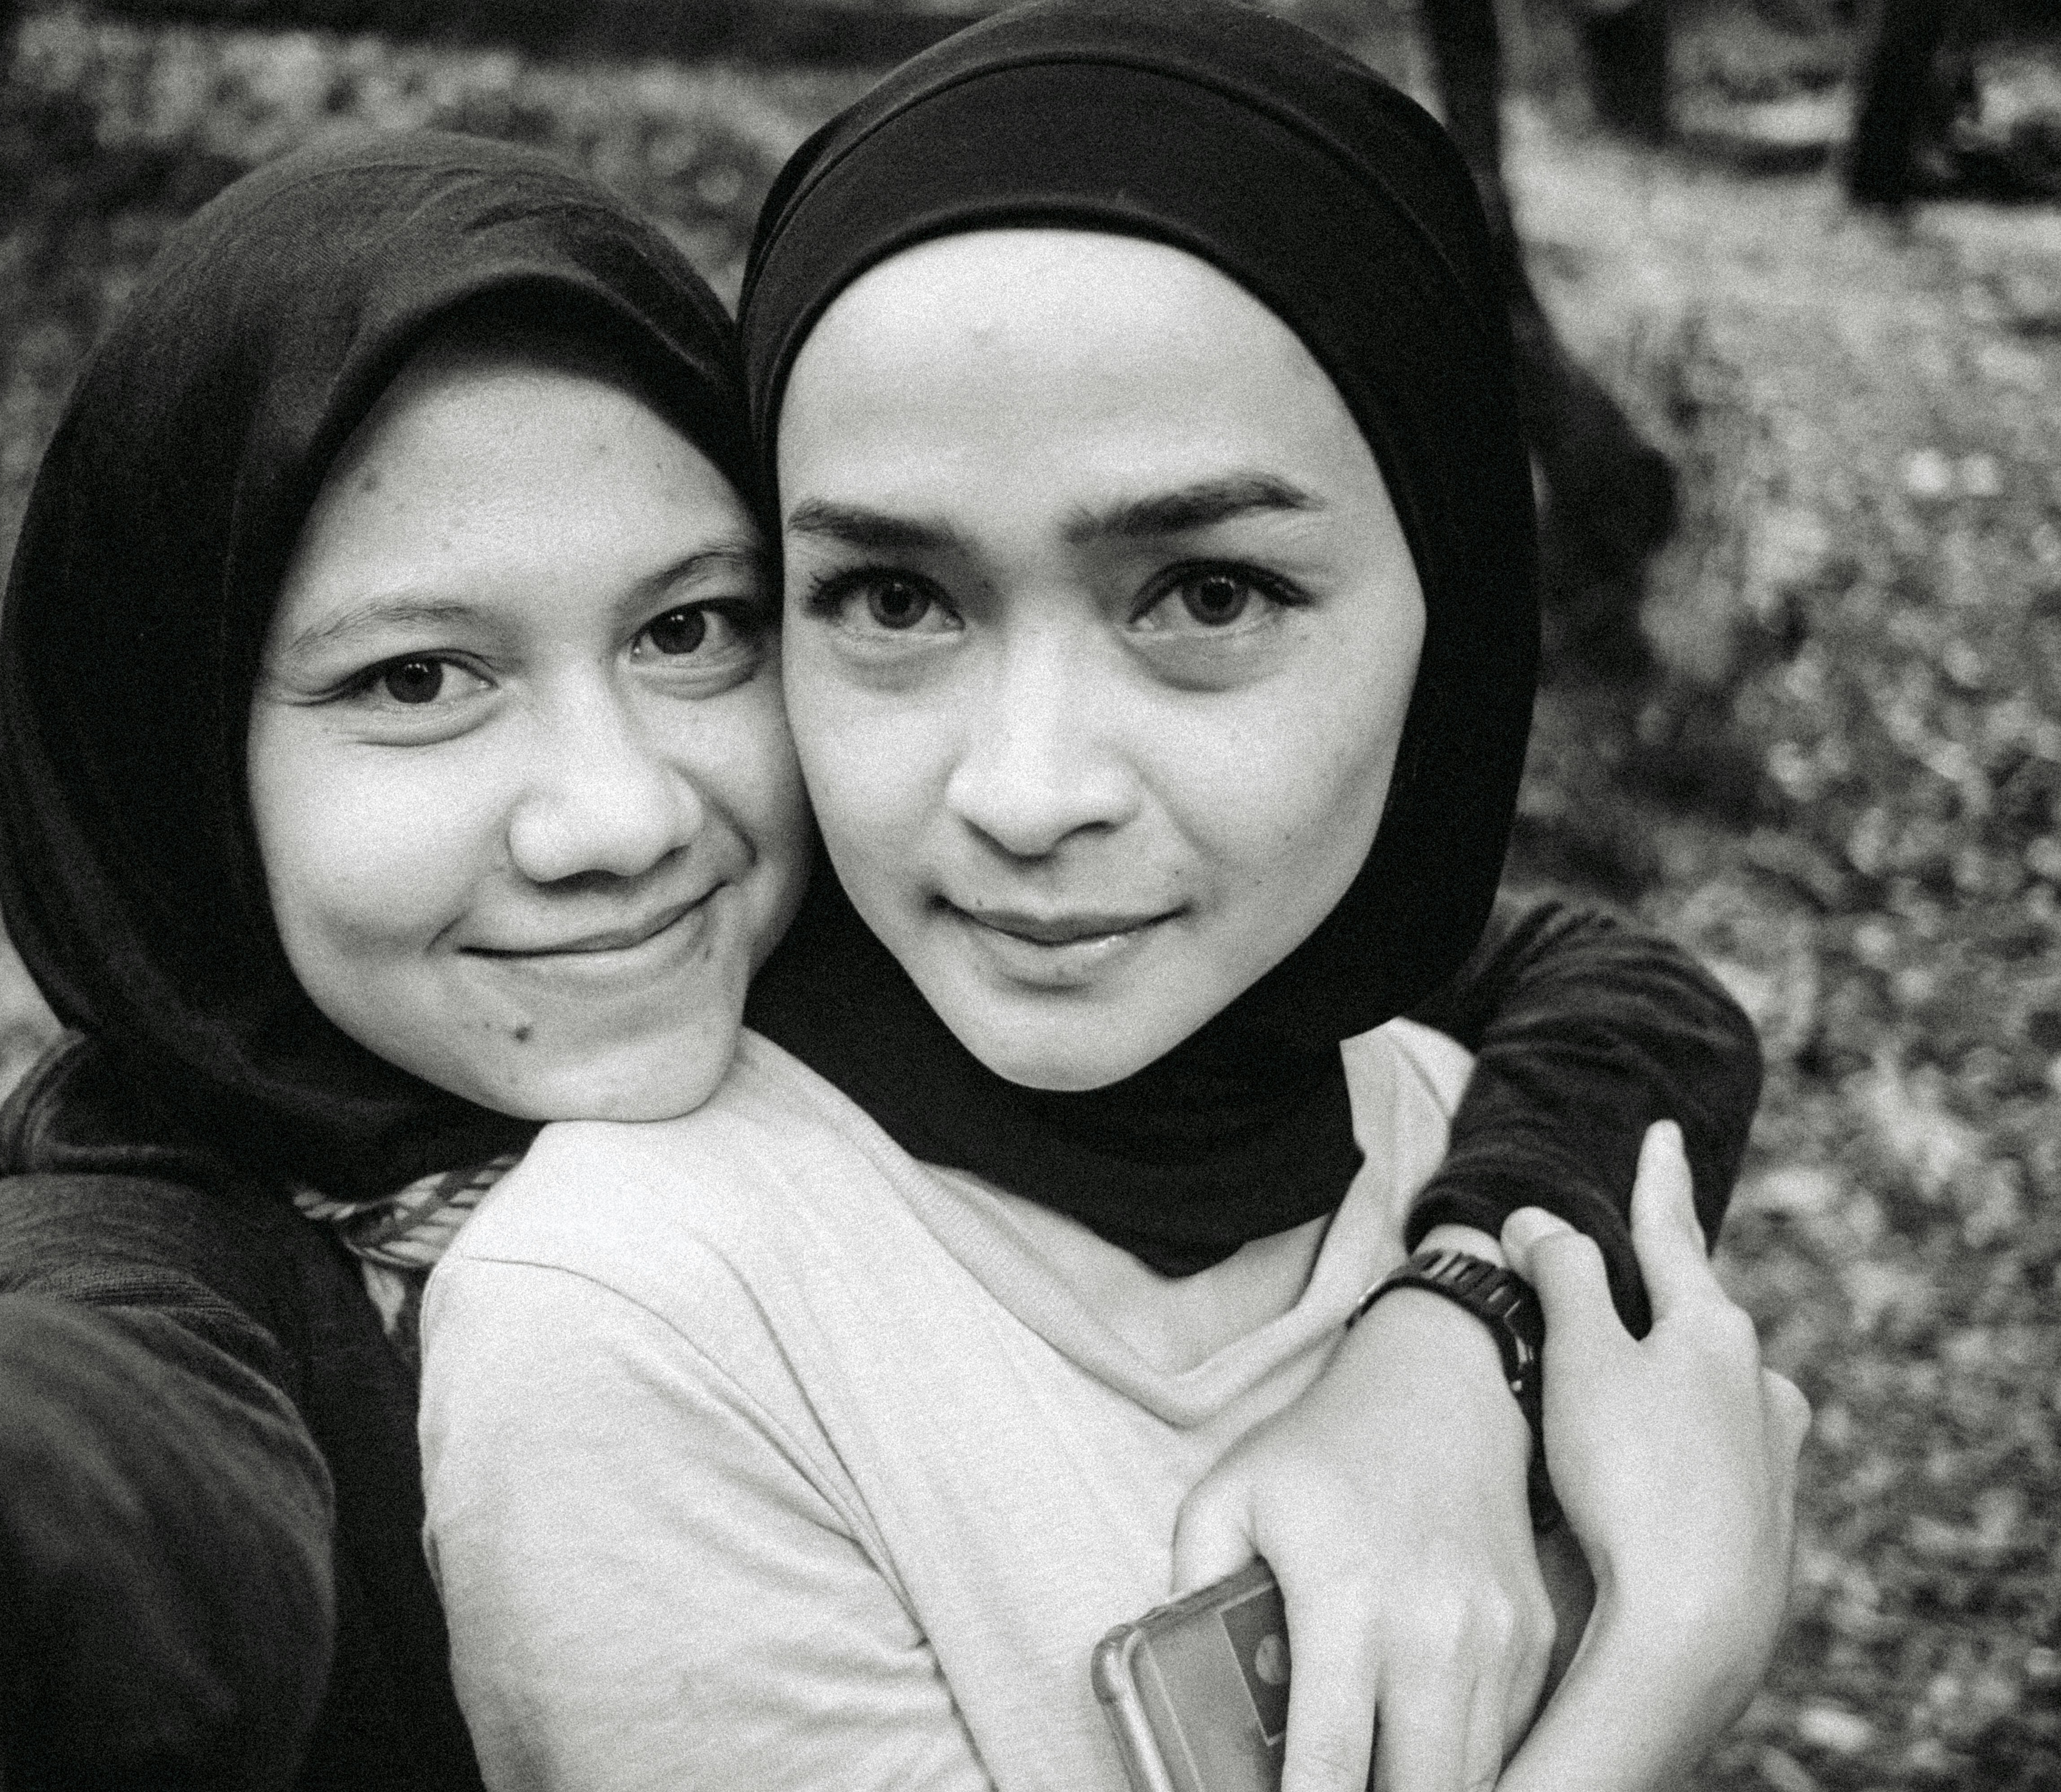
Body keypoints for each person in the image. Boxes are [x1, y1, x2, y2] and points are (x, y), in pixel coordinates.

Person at [0, 122, 1762, 1792]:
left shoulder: (939, 937)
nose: (616, 818)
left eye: (692, 631)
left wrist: (1447, 1332)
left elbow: (1594, 982)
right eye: (415, 679)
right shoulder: (180, 1253)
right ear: (178, 763)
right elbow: (94, 1488)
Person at [414, 8, 1806, 1792]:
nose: (1024, 790)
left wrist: (1464, 1328)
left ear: (1449, 628)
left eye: (1204, 596)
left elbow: (1632, 1001)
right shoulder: (640, 1318)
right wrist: (1657, 1674)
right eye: (896, 600)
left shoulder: (1437, 1116)